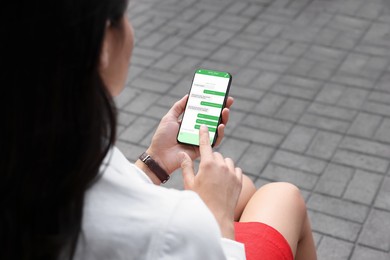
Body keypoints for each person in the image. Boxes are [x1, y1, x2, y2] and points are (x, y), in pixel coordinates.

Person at [0, 0, 317, 259]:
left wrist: (154, 161)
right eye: (123, 14)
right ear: (102, 48)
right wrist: (212, 218)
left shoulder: (30, 151)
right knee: (284, 195)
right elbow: (190, 241)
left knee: (241, 187)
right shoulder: (173, 228)